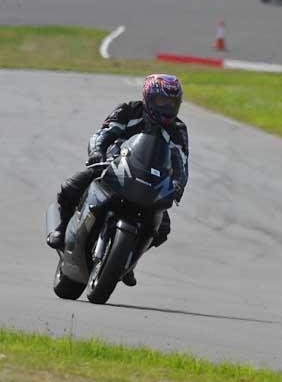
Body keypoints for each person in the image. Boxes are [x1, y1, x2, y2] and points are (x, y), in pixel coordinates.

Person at [46, 74, 189, 287]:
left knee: (163, 227)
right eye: (162, 101)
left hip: (151, 182)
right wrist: (97, 152)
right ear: (148, 98)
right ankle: (61, 228)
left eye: (172, 102)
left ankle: (129, 260)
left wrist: (178, 184)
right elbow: (103, 134)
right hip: (115, 167)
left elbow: (181, 161)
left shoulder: (177, 129)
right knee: (71, 186)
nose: (167, 107)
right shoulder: (128, 111)